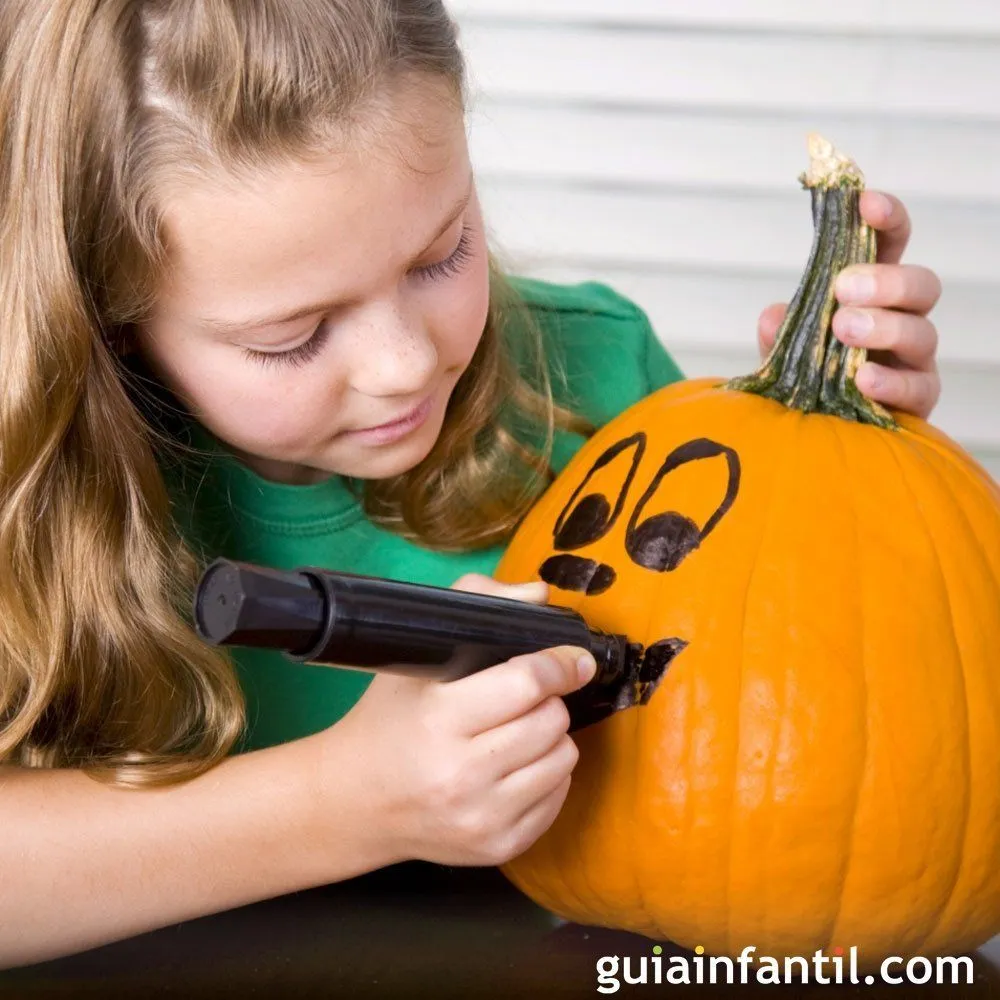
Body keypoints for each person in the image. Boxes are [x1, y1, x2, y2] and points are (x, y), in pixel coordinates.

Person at [0, 0, 942, 969]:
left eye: (440, 254)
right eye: (295, 337)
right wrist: (346, 804)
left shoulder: (601, 384)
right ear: (109, 318)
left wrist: (861, 459)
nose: (404, 364)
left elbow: (810, 720)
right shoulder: (29, 485)